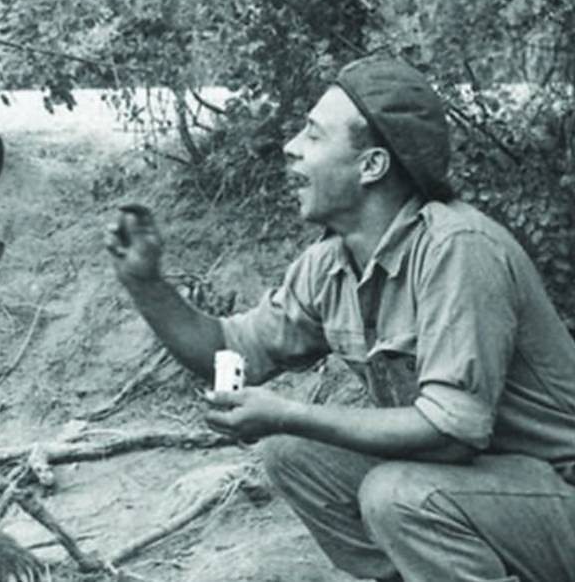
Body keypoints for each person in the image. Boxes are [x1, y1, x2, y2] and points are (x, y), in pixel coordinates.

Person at [104, 55, 575, 582]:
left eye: (313, 135)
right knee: (293, 455)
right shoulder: (331, 264)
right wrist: (147, 285)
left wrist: (287, 412)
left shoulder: (459, 248)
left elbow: (450, 435)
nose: (291, 147)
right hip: (481, 486)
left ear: (371, 166)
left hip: (558, 491)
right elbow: (230, 351)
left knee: (397, 495)